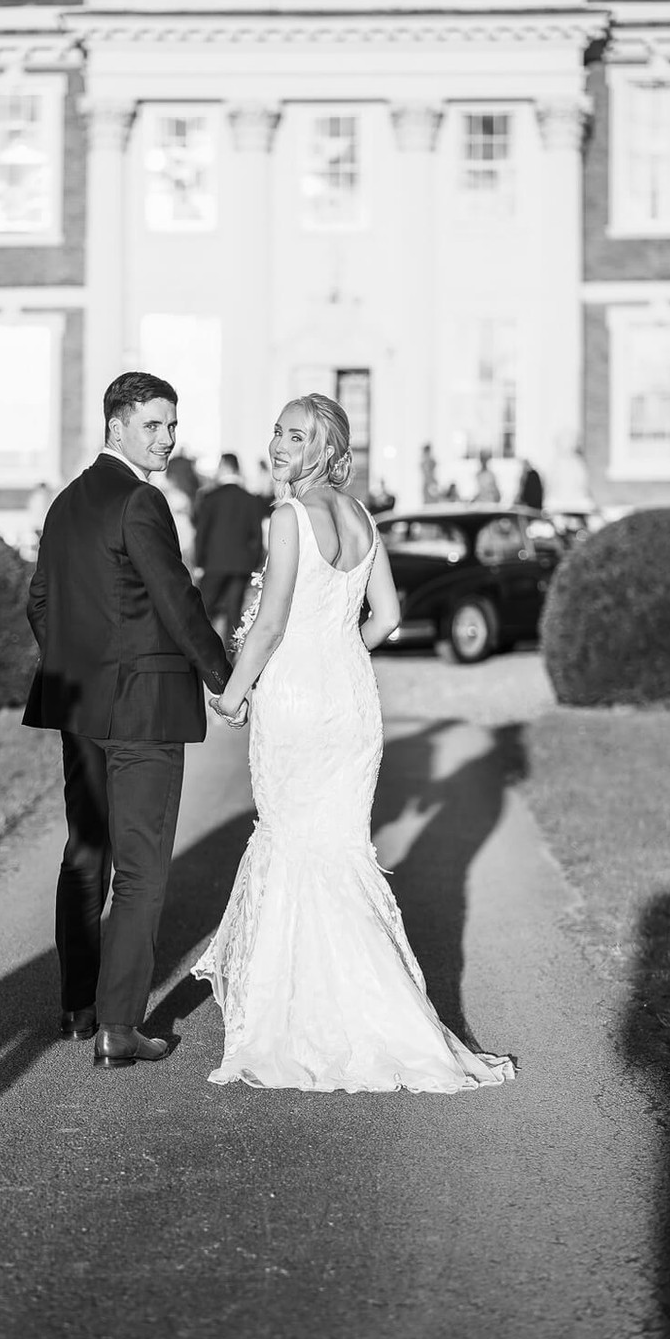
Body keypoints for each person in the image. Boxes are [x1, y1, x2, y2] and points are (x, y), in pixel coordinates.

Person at [192, 393, 515, 1094]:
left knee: (292, 844)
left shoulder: (287, 516)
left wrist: (235, 691)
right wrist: (341, 652)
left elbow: (271, 623)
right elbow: (388, 615)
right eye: (277, 432)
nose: (279, 445)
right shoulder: (363, 518)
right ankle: (377, 1017)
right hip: (350, 699)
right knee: (338, 850)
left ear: (323, 449)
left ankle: (295, 1019)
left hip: (297, 698)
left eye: (295, 436)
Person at [24, 372, 238, 1071]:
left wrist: (78, 663)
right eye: (153, 425)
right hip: (141, 710)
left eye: (171, 425)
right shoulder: (141, 500)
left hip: (80, 707)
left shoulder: (65, 503)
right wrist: (224, 679)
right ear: (116, 425)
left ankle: (77, 1009)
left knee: (86, 853)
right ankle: (118, 1026)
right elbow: (176, 601)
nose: (167, 438)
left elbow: (40, 602)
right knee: (141, 870)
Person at [194, 453, 265, 652]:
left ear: (225, 466)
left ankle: (200, 654)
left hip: (213, 564)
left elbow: (202, 533)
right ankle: (229, 658)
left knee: (201, 613)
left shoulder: (210, 497)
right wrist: (252, 563)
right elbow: (257, 536)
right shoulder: (251, 499)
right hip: (241, 566)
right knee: (233, 616)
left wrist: (199, 563)